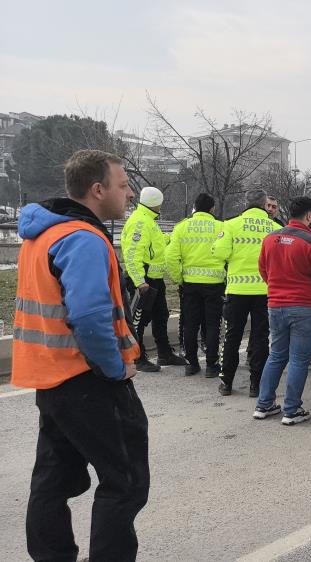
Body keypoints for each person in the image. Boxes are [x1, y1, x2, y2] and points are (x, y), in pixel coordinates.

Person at [13, 149, 147, 561]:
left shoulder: (42, 235)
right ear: (97, 189)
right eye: (123, 186)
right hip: (88, 380)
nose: (129, 194)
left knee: (53, 480)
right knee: (124, 482)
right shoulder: (84, 239)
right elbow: (89, 317)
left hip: (50, 379)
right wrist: (113, 369)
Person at [254, 197, 311, 425]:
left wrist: (275, 288)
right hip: (306, 308)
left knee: (276, 355)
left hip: (276, 305)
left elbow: (263, 268)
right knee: (299, 359)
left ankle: (264, 404)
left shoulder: (270, 239)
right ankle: (292, 409)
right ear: (309, 216)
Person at [213, 189, 280, 397]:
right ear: (263, 204)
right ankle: (256, 385)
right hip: (265, 291)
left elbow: (219, 253)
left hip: (237, 290)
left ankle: (226, 382)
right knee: (261, 338)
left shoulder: (231, 225)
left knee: (232, 336)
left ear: (245, 202)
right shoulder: (276, 229)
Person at [121, 186, 186, 372]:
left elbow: (155, 245)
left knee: (161, 315)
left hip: (154, 279)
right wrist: (139, 281)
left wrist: (172, 237)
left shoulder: (148, 220)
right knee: (139, 320)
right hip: (144, 281)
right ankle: (137, 357)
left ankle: (164, 354)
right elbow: (132, 254)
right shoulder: (140, 222)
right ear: (157, 203)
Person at [166, 193, 225, 377]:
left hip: (190, 284)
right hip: (214, 284)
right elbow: (227, 253)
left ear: (194, 206)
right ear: (212, 209)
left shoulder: (181, 227)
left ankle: (191, 364)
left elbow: (171, 257)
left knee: (190, 324)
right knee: (213, 325)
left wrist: (179, 278)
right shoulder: (221, 227)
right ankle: (211, 365)